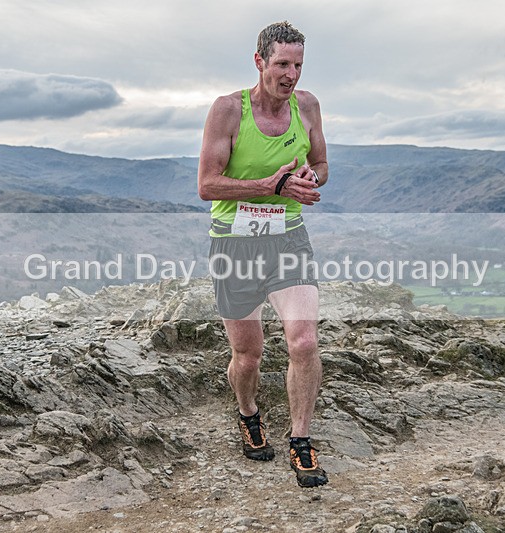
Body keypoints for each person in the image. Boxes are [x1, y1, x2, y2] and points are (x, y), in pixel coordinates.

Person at [198, 21, 329, 487]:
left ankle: (300, 440)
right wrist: (267, 185)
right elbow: (207, 185)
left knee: (304, 342)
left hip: (287, 239)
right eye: (281, 64)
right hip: (234, 243)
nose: (290, 74)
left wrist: (311, 180)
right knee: (248, 354)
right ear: (259, 62)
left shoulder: (307, 106)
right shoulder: (228, 110)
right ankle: (249, 412)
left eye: (297, 64)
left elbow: (321, 164)